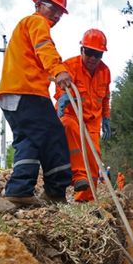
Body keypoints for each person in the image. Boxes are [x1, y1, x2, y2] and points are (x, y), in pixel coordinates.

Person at [0, 0, 73, 207]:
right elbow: (44, 47)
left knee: (29, 140)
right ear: (38, 5)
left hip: (11, 95)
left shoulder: (25, 27)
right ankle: (56, 192)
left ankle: (19, 190)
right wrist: (58, 70)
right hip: (28, 93)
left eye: (61, 12)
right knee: (54, 135)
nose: (57, 15)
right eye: (54, 8)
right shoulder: (36, 21)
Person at [55, 29, 111, 202]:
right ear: (82, 50)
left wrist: (106, 117)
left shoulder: (105, 71)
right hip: (72, 115)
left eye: (98, 54)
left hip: (93, 121)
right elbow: (59, 87)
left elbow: (106, 98)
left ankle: (85, 200)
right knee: (69, 127)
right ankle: (79, 175)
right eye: (89, 52)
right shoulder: (70, 66)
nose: (93, 58)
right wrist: (62, 96)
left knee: (94, 160)